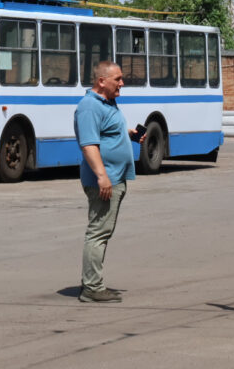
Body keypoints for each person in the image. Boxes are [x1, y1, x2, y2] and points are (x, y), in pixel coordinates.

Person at [74, 60, 144, 304]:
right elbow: (89, 144)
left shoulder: (107, 103)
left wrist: (130, 135)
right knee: (98, 232)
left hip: (114, 177)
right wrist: (102, 176)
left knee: (103, 231)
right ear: (101, 81)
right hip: (105, 181)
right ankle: (92, 287)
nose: (122, 83)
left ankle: (94, 283)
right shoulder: (89, 107)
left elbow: (107, 134)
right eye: (118, 79)